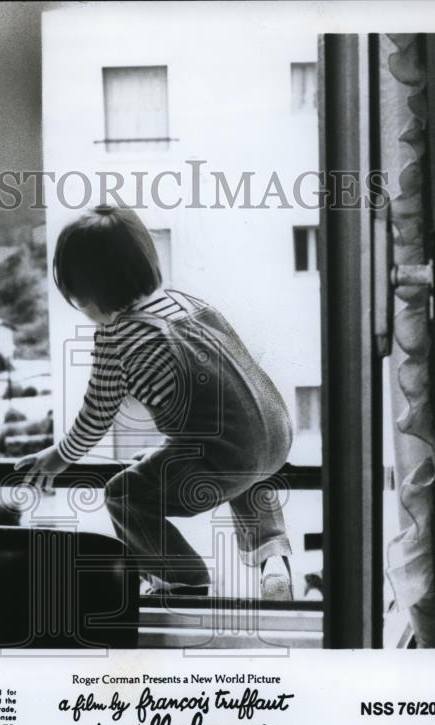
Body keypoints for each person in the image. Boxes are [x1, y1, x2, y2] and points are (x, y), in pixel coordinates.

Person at [15, 206, 294, 600]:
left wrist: (58, 458)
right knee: (247, 463)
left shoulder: (116, 339)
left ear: (91, 292)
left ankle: (182, 578)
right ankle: (273, 557)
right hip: (275, 433)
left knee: (124, 494)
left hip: (223, 457)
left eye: (79, 300)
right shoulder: (190, 305)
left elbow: (96, 418)